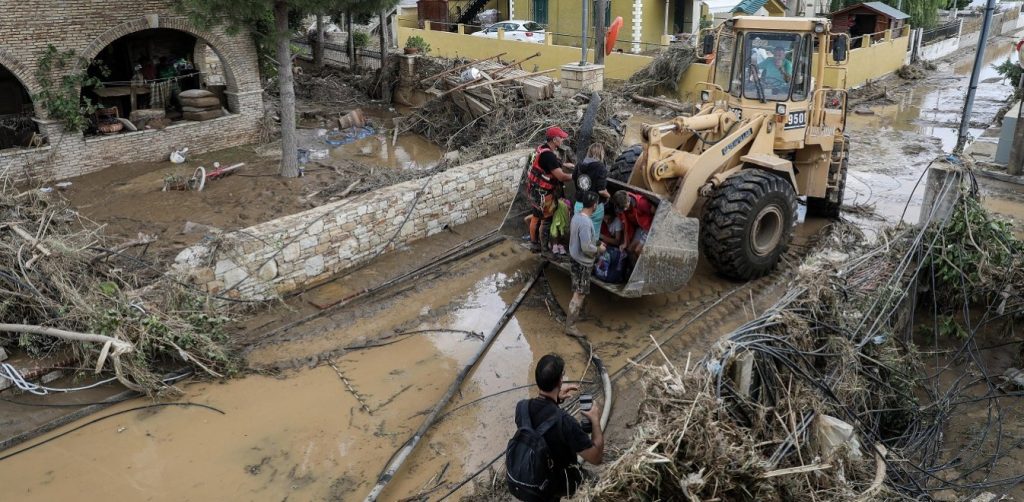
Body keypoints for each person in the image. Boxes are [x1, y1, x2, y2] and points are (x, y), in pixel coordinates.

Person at [515, 354, 604, 500]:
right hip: (557, 481)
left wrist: (555, 399)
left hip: (531, 475)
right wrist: (595, 420)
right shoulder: (565, 423)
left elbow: (541, 423)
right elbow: (596, 458)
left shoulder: (521, 408)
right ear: (560, 381)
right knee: (595, 483)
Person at [526, 126, 575, 253]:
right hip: (543, 194)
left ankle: (534, 243)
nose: (563, 140)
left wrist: (563, 165)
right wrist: (576, 176)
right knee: (545, 221)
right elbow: (561, 176)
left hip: (533, 190)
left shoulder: (541, 149)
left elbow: (546, 165)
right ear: (554, 139)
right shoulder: (549, 156)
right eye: (561, 138)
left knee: (536, 217)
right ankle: (544, 249)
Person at [567, 191, 605, 336]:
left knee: (578, 290)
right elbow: (586, 247)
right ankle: (570, 326)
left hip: (574, 257)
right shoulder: (586, 223)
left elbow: (583, 240)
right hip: (582, 263)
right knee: (579, 294)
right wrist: (599, 249)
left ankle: (575, 317)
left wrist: (595, 242)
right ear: (594, 205)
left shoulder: (576, 216)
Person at [573, 143, 611, 239]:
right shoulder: (600, 167)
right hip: (594, 207)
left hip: (579, 204)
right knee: (593, 234)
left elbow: (574, 178)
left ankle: (576, 253)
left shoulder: (579, 165)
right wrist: (608, 196)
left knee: (578, 233)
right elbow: (601, 190)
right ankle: (591, 252)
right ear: (601, 154)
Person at [613, 190, 654, 258]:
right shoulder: (623, 207)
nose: (624, 210)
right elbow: (626, 225)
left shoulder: (641, 203)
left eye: (624, 208)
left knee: (637, 250)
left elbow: (653, 212)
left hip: (648, 227)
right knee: (630, 249)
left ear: (628, 201)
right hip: (640, 227)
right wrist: (625, 243)